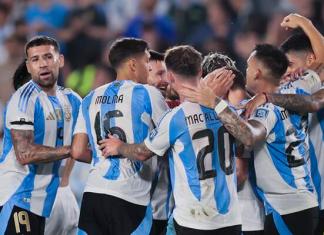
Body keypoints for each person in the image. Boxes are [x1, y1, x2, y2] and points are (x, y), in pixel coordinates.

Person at [100, 45, 242, 235]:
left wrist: (120, 147)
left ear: (171, 77)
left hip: (194, 220)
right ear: (200, 72)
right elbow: (245, 141)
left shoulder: (175, 117)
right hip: (231, 219)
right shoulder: (226, 110)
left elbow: (142, 152)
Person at [181, 44, 319, 235]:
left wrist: (215, 102)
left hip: (287, 208)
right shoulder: (296, 91)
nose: (245, 71)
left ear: (257, 73)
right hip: (300, 203)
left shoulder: (266, 111)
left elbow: (249, 136)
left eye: (248, 66)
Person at [71, 37, 169, 235]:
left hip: (93, 195)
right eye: (146, 61)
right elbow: (169, 137)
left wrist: (104, 156)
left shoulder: (89, 98)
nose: (148, 68)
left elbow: (78, 151)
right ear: (133, 64)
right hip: (130, 197)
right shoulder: (148, 93)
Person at [241, 13, 324, 235]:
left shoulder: (290, 96)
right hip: (306, 196)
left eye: (292, 66)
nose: (288, 73)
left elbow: (314, 100)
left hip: (298, 200)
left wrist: (306, 23)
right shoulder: (297, 89)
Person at [0, 35, 81, 235]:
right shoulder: (23, 99)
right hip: (19, 196)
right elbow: (25, 154)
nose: (43, 64)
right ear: (28, 66)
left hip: (52, 199)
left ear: (60, 60)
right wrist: (72, 150)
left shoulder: (72, 100)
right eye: (35, 60)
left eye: (47, 57)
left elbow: (84, 144)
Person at [201, 52, 265, 235]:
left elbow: (240, 173)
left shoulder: (238, 113)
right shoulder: (250, 104)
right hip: (244, 214)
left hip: (244, 215)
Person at [147, 49, 174, 235]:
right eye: (159, 74)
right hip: (142, 209)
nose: (164, 80)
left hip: (166, 211)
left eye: (166, 73)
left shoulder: (177, 109)